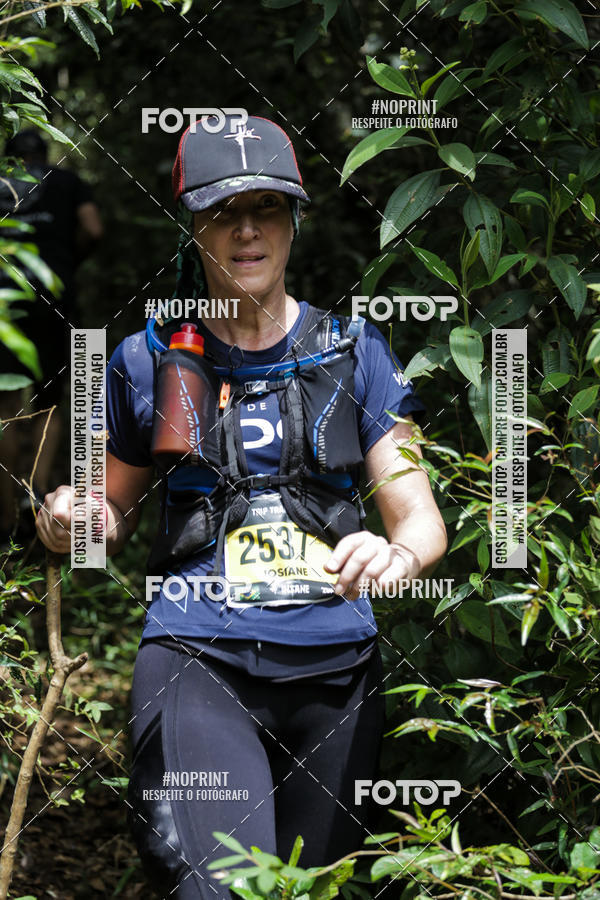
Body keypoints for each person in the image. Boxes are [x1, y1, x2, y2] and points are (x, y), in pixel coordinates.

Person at [36, 114, 448, 899]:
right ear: (192, 224)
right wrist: (70, 519)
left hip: (339, 670)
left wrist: (395, 558)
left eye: (268, 207)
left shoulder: (356, 349)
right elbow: (101, 517)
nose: (248, 230)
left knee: (317, 891)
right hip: (199, 657)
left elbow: (420, 519)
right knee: (216, 889)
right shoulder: (143, 358)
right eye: (224, 210)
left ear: (294, 218)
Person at [0, 129, 103, 537]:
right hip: (53, 296)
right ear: (46, 155)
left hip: (5, 301)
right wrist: (68, 261)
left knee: (5, 403)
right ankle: (36, 494)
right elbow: (93, 228)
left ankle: (6, 514)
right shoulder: (66, 181)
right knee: (51, 399)